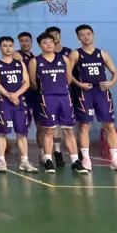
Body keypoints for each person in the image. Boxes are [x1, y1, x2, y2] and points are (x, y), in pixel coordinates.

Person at [67, 25, 117, 172]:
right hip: (85, 93)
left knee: (110, 126)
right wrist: (79, 84)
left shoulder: (103, 54)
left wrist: (111, 83)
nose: (86, 37)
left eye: (88, 34)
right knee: (84, 126)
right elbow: (68, 74)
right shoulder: (75, 54)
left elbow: (115, 72)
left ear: (93, 35)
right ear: (78, 37)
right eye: (82, 35)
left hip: (101, 93)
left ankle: (115, 160)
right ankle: (86, 159)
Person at [28, 32, 86, 174]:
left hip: (64, 97)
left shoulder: (64, 59)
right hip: (47, 98)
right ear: (39, 45)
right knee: (49, 130)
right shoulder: (35, 61)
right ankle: (48, 160)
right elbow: (33, 82)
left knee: (68, 130)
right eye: (44, 42)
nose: (48, 44)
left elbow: (69, 78)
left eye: (50, 42)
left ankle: (75, 161)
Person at [0, 36, 37, 173]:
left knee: (21, 132)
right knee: (2, 132)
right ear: (0, 47)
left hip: (19, 101)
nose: (8, 48)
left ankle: (24, 161)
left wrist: (16, 94)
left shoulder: (20, 63)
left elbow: (26, 82)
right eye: (5, 46)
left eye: (10, 45)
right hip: (4, 102)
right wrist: (9, 95)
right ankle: (2, 161)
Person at [45, 26, 71, 166]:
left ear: (60, 35)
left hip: (68, 92)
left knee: (69, 126)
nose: (54, 37)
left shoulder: (68, 53)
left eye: (56, 34)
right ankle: (56, 151)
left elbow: (71, 74)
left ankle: (78, 154)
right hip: (50, 95)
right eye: (51, 35)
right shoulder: (43, 57)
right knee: (52, 126)